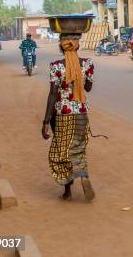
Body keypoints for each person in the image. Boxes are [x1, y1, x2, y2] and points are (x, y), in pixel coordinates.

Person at [42, 34, 95, 202]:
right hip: (80, 113)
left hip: (62, 115)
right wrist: (80, 76)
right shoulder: (87, 64)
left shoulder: (56, 66)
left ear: (61, 47)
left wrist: (45, 121)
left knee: (60, 152)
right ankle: (83, 176)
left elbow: (52, 94)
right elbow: (88, 88)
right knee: (77, 148)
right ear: (77, 46)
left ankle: (68, 191)